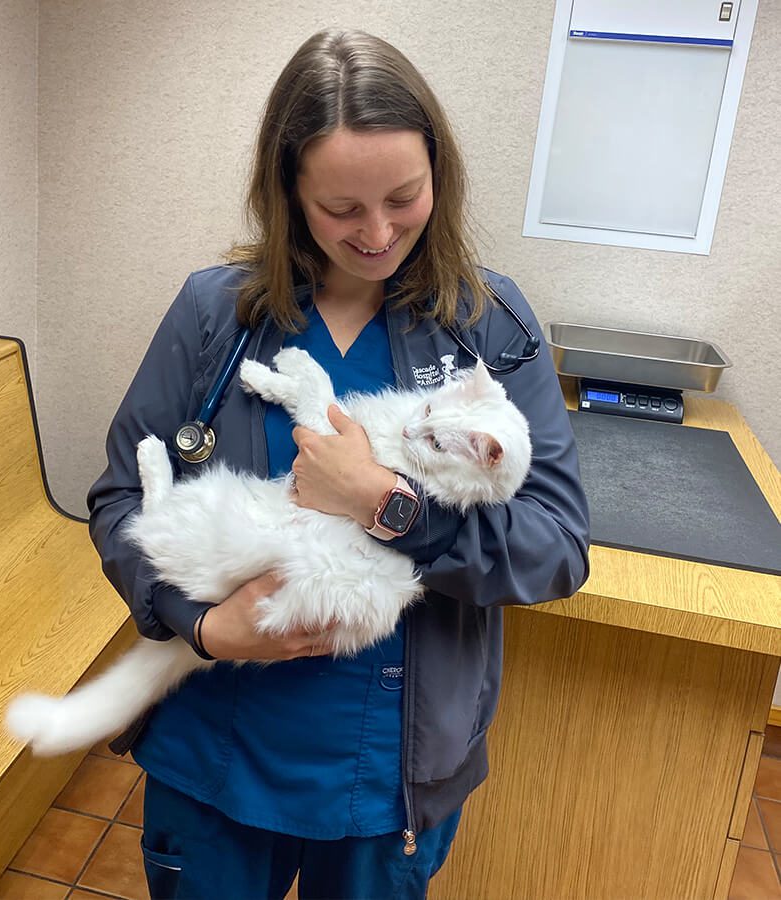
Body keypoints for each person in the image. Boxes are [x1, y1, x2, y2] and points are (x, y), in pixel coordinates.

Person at [87, 28, 589, 900]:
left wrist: (388, 506)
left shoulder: (488, 324)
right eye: (341, 209)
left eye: (404, 196)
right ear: (289, 194)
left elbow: (555, 549)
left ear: (440, 173)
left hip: (385, 782)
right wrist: (196, 623)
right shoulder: (216, 313)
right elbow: (121, 499)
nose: (380, 232)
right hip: (215, 755)